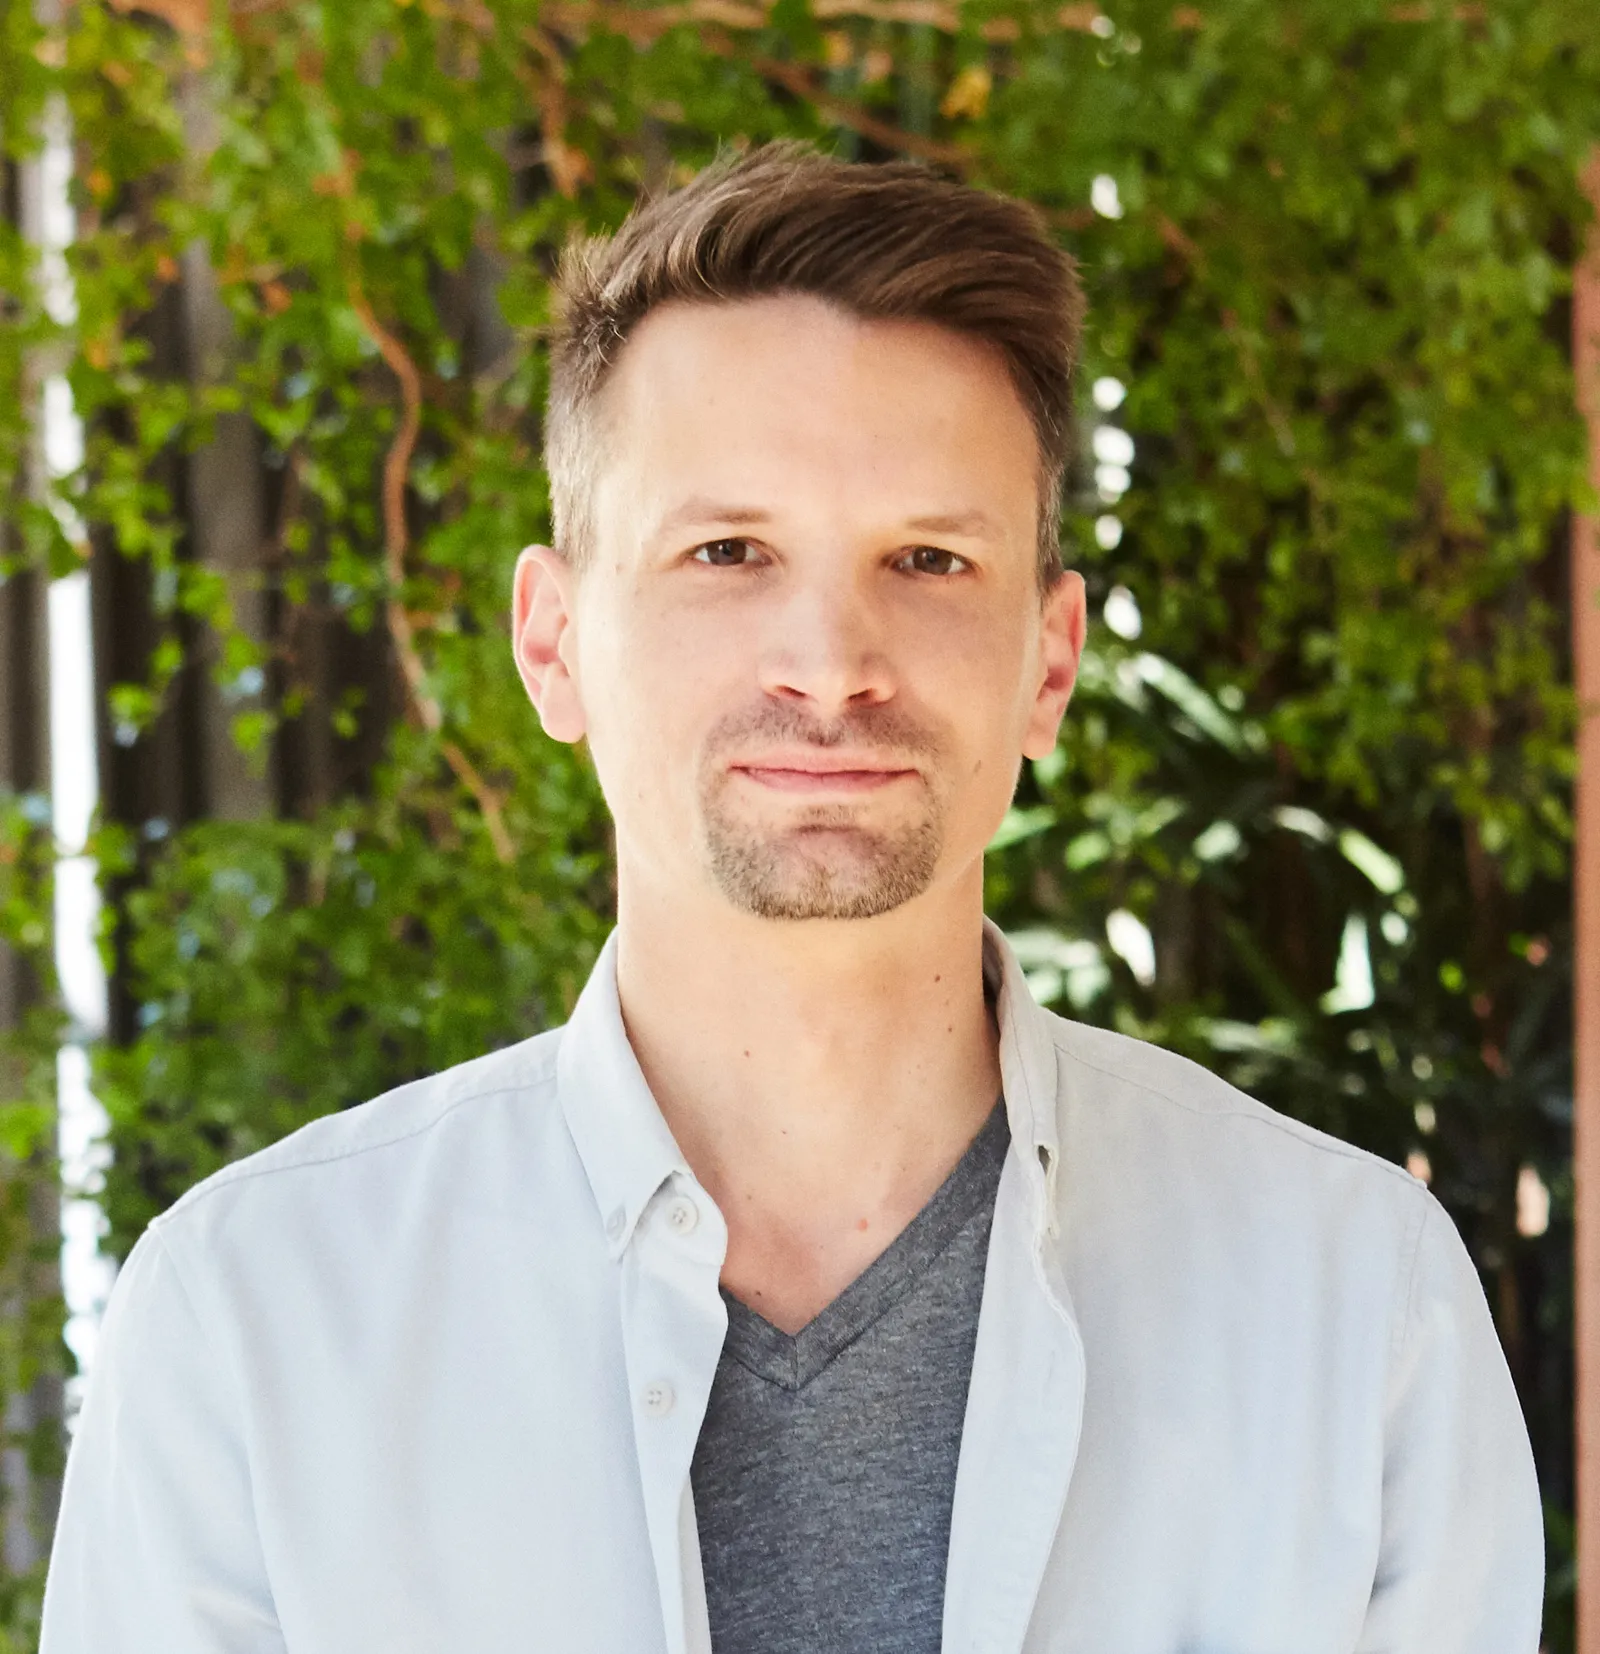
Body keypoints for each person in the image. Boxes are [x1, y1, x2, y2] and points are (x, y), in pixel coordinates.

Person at [41, 142, 1541, 1654]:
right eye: (729, 550)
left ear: (1051, 659)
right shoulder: (252, 1325)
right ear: (553, 643)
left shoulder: (1357, 1310)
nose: (830, 661)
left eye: (931, 558)